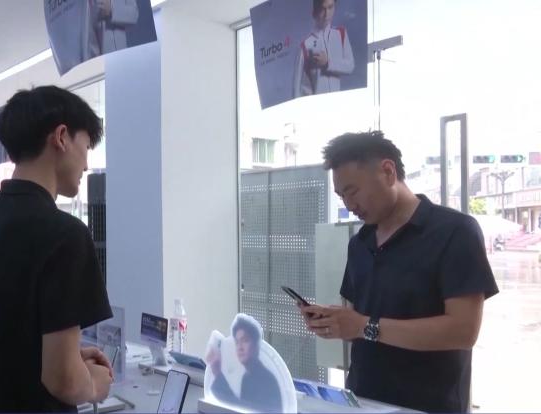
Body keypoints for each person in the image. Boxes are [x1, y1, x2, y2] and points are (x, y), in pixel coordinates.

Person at [299, 131, 499, 413]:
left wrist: (364, 326)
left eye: (352, 191)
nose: (349, 205)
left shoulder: (455, 232)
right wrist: (335, 322)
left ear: (388, 171)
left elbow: (463, 331)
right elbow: (359, 324)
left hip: (428, 405)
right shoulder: (359, 243)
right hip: (362, 402)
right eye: (341, 195)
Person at [0, 85, 114, 412]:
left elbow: (3, 337)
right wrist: (95, 383)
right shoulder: (65, 234)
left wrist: (70, 358)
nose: (86, 165)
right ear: (61, 137)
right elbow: (64, 382)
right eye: (86, 147)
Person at [206, 317, 281, 412]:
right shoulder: (247, 377)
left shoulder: (266, 380)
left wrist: (217, 373)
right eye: (237, 342)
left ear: (256, 345)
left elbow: (240, 409)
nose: (240, 347)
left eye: (245, 340)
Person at [293, 0, 355, 98]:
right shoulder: (305, 45)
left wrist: (327, 63)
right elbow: (296, 88)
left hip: (337, 102)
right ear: (315, 12)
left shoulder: (341, 34)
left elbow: (350, 66)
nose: (327, 14)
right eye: (323, 9)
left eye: (330, 7)